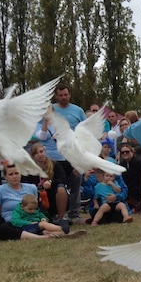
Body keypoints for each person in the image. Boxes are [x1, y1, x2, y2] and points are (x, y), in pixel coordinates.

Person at [0, 164, 86, 240]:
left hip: (33, 218)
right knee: (1, 229)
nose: (14, 176)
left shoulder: (31, 187)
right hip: (14, 222)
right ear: (6, 177)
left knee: (44, 222)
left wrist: (41, 218)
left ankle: (57, 232)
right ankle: (44, 236)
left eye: (16, 173)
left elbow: (37, 208)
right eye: (11, 174)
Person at [52, 83, 87, 222]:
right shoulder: (51, 110)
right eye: (60, 95)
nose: (63, 97)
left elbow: (85, 130)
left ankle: (74, 213)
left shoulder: (78, 111)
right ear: (56, 96)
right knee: (57, 186)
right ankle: (57, 213)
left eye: (66, 95)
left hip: (74, 154)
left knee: (75, 184)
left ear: (70, 94)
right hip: (56, 154)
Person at [23, 140, 69, 226]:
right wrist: (39, 187)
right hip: (37, 195)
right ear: (33, 156)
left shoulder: (55, 164)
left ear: (45, 152)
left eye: (41, 151)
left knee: (61, 189)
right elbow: (26, 184)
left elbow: (62, 179)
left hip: (53, 193)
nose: (40, 154)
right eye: (36, 153)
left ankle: (61, 218)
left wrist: (51, 182)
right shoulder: (29, 169)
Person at [117, 141, 141, 213]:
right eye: (123, 152)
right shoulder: (121, 165)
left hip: (139, 191)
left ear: (132, 152)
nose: (125, 153)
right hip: (127, 193)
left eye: (127, 151)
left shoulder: (139, 162)